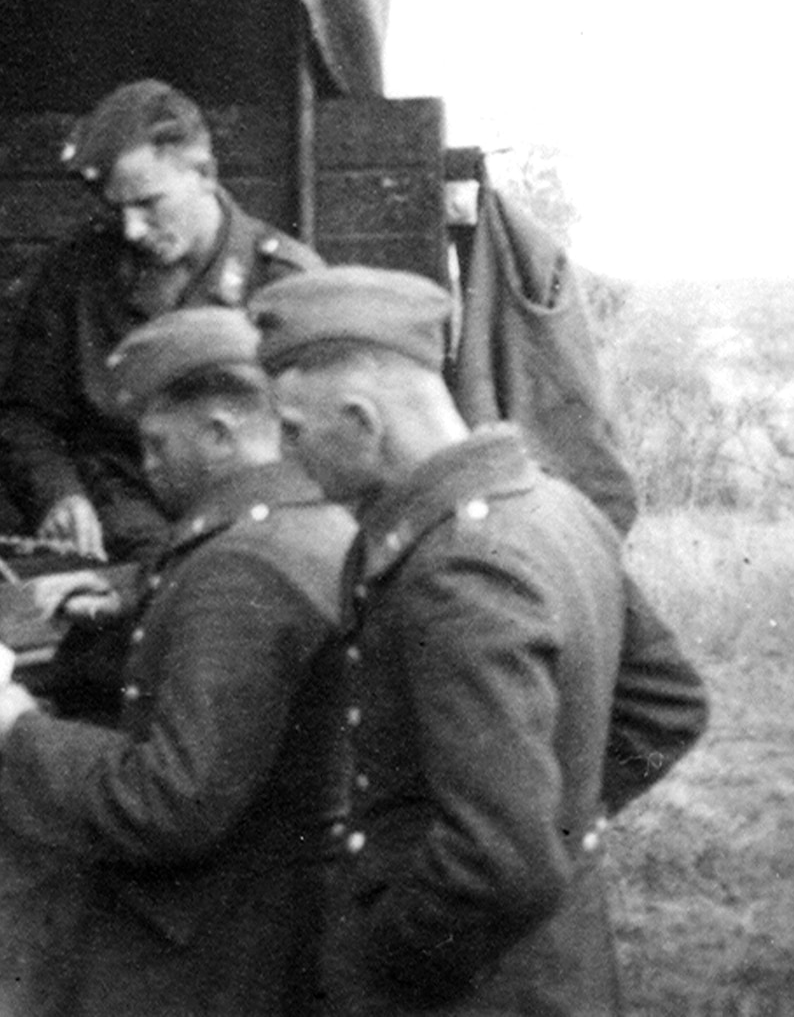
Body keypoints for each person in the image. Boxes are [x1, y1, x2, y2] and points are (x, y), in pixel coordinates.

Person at [250, 265, 711, 1014]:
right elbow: (667, 714)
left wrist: (386, 963)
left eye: (295, 430)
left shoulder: (455, 569)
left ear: (364, 421)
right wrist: (570, 821)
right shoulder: (554, 506)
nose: (286, 452)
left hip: (472, 990)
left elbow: (501, 866)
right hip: (553, 968)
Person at [0, 306, 357, 1015]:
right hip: (288, 922)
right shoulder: (316, 526)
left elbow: (169, 802)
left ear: (219, 434)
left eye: (154, 446)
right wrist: (139, 601)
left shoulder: (241, 569)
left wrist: (22, 733)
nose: (146, 471)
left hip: (211, 954)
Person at [0, 78, 321, 563]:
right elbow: (23, 419)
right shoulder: (78, 272)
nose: (132, 229)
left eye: (148, 204)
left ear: (205, 173)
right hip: (114, 532)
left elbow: (315, 445)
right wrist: (59, 495)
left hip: (246, 538)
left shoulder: (287, 282)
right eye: (116, 209)